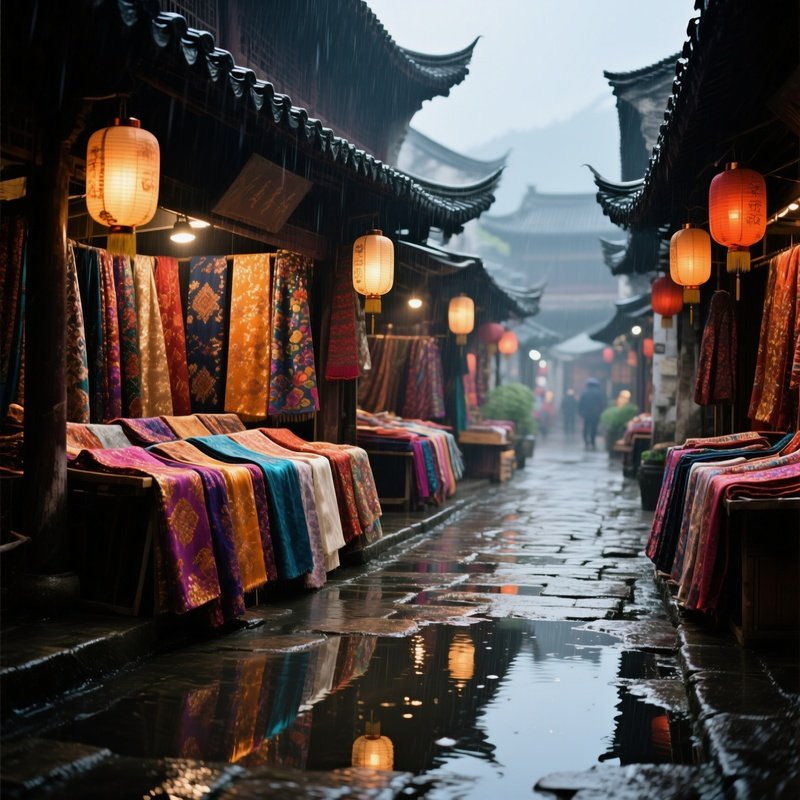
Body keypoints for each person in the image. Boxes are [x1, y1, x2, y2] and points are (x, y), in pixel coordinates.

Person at [578, 377, 606, 449]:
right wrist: (601, 412)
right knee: (594, 428)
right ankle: (592, 441)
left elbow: (581, 403)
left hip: (586, 414)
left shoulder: (584, 392)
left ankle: (586, 442)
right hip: (595, 414)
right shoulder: (598, 393)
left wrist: (580, 412)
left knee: (586, 427)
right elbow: (601, 404)